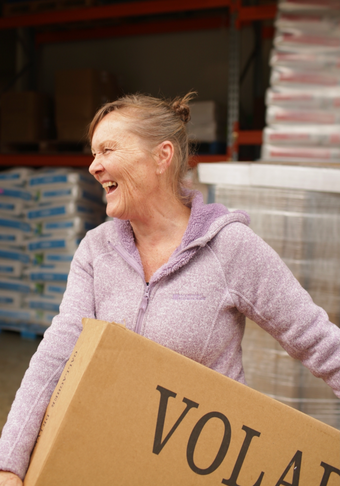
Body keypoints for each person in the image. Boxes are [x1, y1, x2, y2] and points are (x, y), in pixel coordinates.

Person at [0, 92, 339, 485]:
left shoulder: (228, 247)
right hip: (109, 461)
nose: (94, 166)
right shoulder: (96, 251)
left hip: (199, 471)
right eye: (93, 153)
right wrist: (9, 463)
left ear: (162, 156)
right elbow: (57, 354)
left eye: (107, 149)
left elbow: (319, 341)